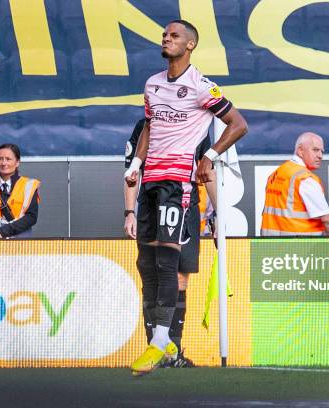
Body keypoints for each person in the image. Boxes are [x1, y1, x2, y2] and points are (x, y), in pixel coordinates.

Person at [124, 19, 248, 375]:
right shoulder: (152, 84)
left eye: (174, 35)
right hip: (149, 180)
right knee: (145, 263)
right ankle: (162, 341)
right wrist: (135, 163)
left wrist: (209, 156)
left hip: (177, 183)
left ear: (189, 45)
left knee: (167, 260)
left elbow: (239, 124)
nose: (166, 38)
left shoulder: (201, 87)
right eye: (164, 34)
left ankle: (160, 341)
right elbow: (150, 125)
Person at [124, 119, 216, 368]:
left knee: (180, 278)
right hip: (152, 202)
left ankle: (172, 352)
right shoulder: (145, 125)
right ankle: (155, 347)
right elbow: (132, 170)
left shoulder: (197, 126)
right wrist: (129, 211)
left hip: (186, 204)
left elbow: (207, 171)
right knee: (152, 273)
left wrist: (217, 214)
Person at [261, 132, 329, 236]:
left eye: (321, 151)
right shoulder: (305, 180)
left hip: (270, 247)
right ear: (300, 151)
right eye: (315, 150)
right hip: (300, 248)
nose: (320, 156)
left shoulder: (276, 174)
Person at [0, 143, 40, 239]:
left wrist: (2, 232)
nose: (3, 163)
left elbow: (31, 217)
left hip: (21, 246)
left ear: (17, 162)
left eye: (8, 159)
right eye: (0, 159)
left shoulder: (29, 186)